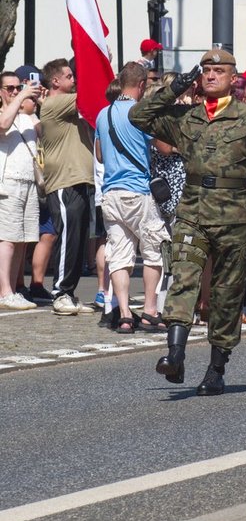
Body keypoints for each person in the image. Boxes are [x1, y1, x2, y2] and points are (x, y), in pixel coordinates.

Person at [130, 48, 246, 396]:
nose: (211, 76)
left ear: (233, 78)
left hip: (233, 217)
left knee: (227, 293)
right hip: (192, 212)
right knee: (183, 278)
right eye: (206, 70)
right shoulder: (187, 118)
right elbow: (138, 115)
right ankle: (175, 354)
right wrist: (173, 88)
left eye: (218, 71)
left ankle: (216, 369)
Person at [95, 62, 168, 332]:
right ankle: (150, 310)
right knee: (154, 251)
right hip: (138, 192)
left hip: (111, 193)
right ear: (141, 85)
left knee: (120, 255)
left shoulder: (103, 114)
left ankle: (125, 314)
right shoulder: (140, 112)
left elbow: (100, 155)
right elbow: (165, 147)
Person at [36, 58, 94, 315]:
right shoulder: (53, 103)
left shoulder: (69, 105)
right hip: (63, 181)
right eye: (69, 76)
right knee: (68, 237)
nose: (74, 79)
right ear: (55, 81)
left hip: (79, 179)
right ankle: (60, 292)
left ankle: (69, 292)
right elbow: (91, 94)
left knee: (78, 240)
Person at [0, 71, 42, 309]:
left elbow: (45, 132)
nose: (15, 91)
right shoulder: (4, 113)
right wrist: (21, 97)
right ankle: (4, 291)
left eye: (18, 87)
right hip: (8, 183)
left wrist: (40, 101)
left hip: (28, 182)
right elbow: (3, 124)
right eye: (10, 88)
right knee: (7, 238)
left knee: (21, 240)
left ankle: (13, 290)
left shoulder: (26, 116)